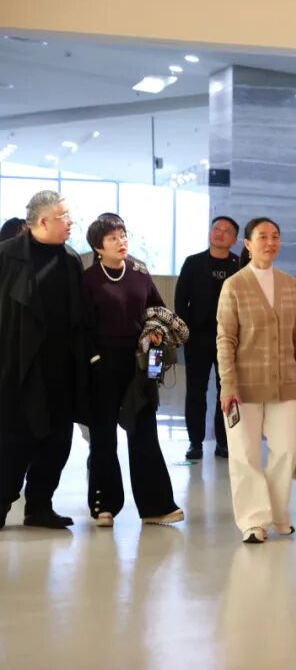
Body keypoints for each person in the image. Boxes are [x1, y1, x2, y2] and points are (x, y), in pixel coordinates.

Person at [83, 213, 184, 527]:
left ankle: (156, 507)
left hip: (140, 363)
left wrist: (155, 335)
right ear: (98, 246)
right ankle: (104, 506)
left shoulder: (140, 273)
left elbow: (158, 312)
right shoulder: (89, 279)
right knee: (103, 437)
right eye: (112, 238)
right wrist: (94, 360)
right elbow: (81, 327)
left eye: (123, 235)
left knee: (144, 431)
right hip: (102, 365)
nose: (121, 242)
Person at [217, 217, 296, 544]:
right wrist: (227, 384)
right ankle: (254, 521)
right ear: (248, 244)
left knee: (288, 447)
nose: (270, 243)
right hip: (243, 386)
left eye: (275, 236)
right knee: (245, 454)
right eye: (262, 237)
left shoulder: (289, 284)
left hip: (285, 383)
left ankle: (278, 512)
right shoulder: (234, 285)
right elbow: (225, 339)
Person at [0, 191, 88, 529]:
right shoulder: (7, 255)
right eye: (64, 216)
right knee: (13, 442)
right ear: (42, 221)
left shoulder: (70, 260)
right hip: (17, 365)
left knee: (57, 442)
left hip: (60, 366)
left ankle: (39, 506)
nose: (71, 222)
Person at [175, 216, 241, 460]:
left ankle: (224, 442)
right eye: (216, 229)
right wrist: (185, 331)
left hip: (231, 339)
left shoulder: (240, 264)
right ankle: (195, 442)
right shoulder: (193, 262)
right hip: (198, 338)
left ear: (235, 239)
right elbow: (181, 300)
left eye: (226, 230)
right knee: (196, 391)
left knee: (228, 390)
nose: (220, 233)